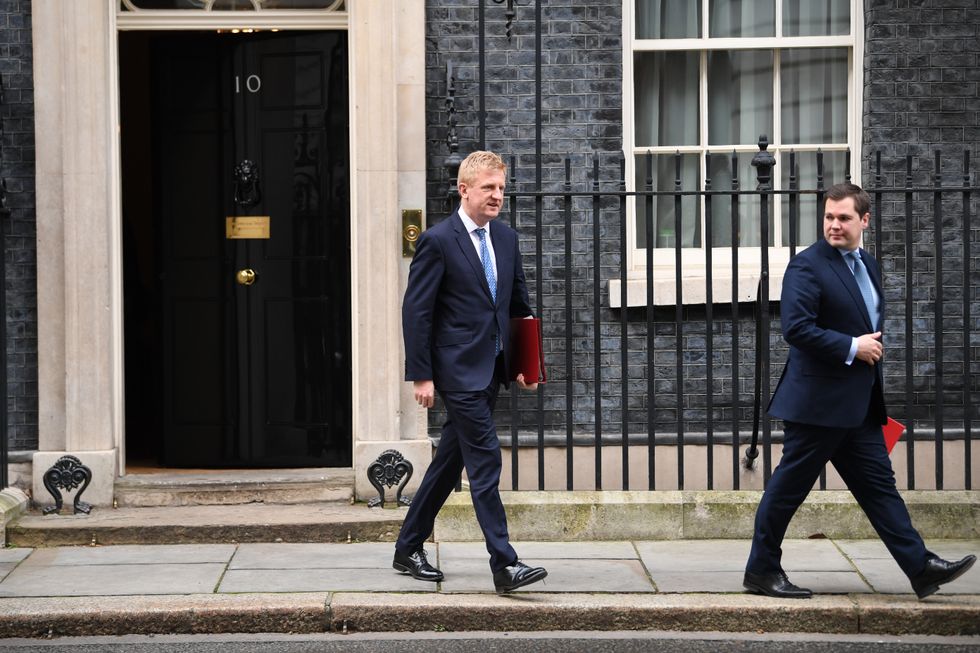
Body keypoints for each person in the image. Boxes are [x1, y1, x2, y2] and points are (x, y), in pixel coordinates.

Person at [744, 182, 975, 600]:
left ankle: (920, 567)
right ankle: (761, 570)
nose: (834, 225)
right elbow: (796, 329)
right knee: (787, 490)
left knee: (879, 488)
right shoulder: (807, 266)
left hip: (859, 405)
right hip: (817, 405)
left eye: (844, 217)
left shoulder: (866, 263)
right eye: (829, 217)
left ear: (864, 220)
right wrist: (853, 346)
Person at [393, 150, 547, 594]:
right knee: (485, 461)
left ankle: (407, 547)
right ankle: (505, 563)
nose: (498, 195)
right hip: (456, 372)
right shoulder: (438, 241)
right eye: (488, 188)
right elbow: (417, 312)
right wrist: (421, 376)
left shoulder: (506, 240)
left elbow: (519, 307)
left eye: (501, 187)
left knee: (448, 464)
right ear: (464, 190)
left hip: (492, 370)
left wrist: (526, 364)